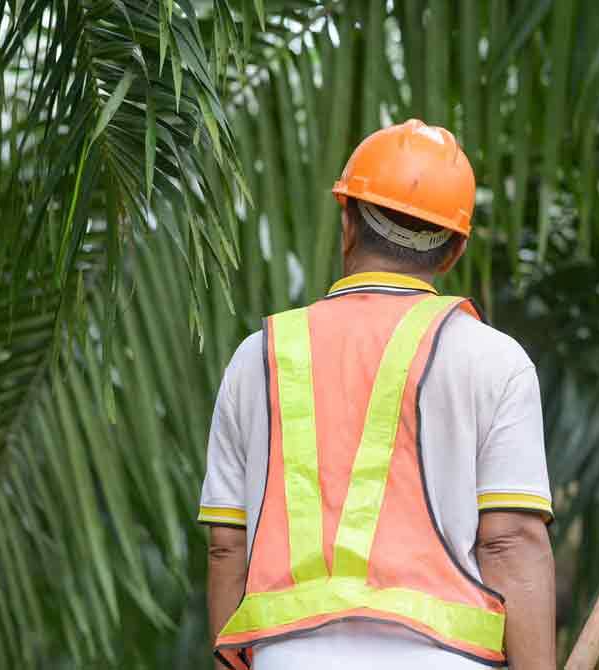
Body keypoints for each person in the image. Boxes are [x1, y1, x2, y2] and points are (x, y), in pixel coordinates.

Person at [199, 119, 556, 670]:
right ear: (454, 250)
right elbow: (511, 542)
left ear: (347, 223)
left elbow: (227, 547)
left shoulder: (259, 356)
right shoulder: (496, 361)